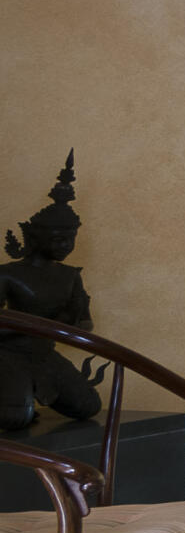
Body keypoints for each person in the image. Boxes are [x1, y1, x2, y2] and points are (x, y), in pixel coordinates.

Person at [0, 153, 99, 431]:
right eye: (58, 239)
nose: (65, 246)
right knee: (15, 418)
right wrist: (43, 326)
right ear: (34, 237)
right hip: (9, 354)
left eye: (70, 239)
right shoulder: (8, 273)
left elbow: (85, 325)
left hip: (45, 353)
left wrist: (73, 319)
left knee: (88, 406)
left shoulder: (69, 276)